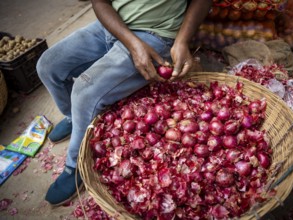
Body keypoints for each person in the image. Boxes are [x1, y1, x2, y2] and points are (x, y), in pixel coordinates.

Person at [37, 0, 212, 206]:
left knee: (84, 93)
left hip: (157, 34)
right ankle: (75, 117)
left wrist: (182, 41)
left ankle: (76, 165)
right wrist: (132, 43)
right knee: (48, 66)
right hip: (113, 25)